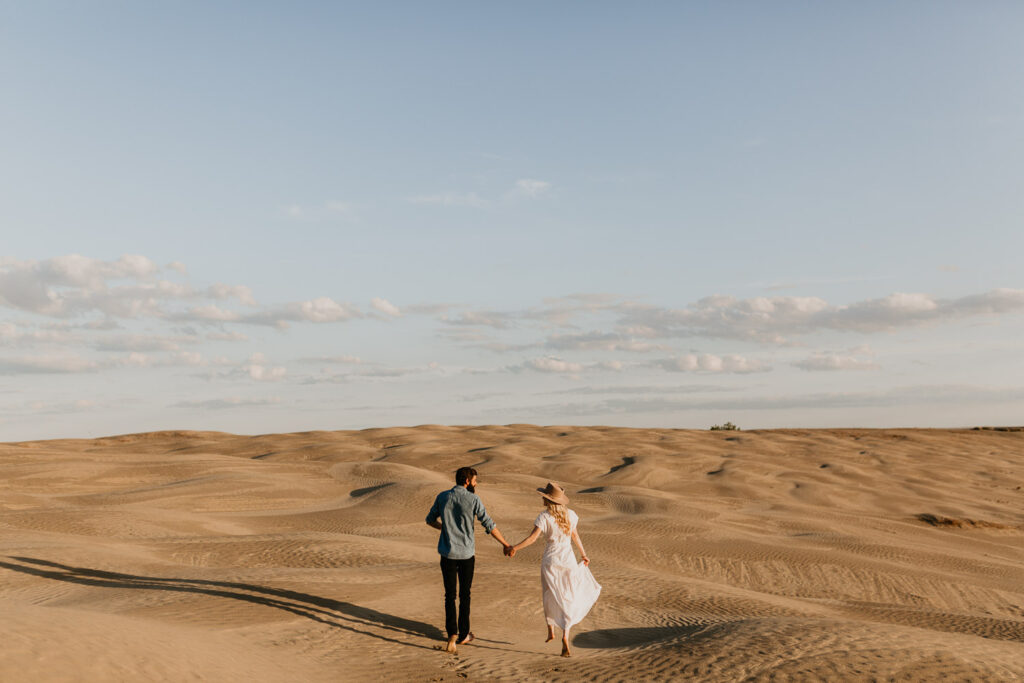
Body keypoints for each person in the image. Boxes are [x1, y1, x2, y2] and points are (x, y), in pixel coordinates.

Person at [425, 466, 513, 653]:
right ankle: (464, 634)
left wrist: (445, 529)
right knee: (465, 595)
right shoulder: (473, 499)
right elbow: (488, 524)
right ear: (466, 481)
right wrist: (505, 544)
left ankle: (452, 635)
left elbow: (430, 519)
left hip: (447, 553)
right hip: (466, 555)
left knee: (449, 595)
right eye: (475, 480)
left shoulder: (442, 497)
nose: (476, 484)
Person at [508, 481, 601, 657]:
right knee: (567, 597)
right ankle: (565, 635)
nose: (542, 500)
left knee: (549, 593)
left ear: (548, 500)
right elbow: (575, 535)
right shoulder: (571, 515)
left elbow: (532, 539)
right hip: (568, 560)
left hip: (550, 560)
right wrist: (584, 554)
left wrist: (515, 548)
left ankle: (550, 629)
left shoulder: (544, 517)